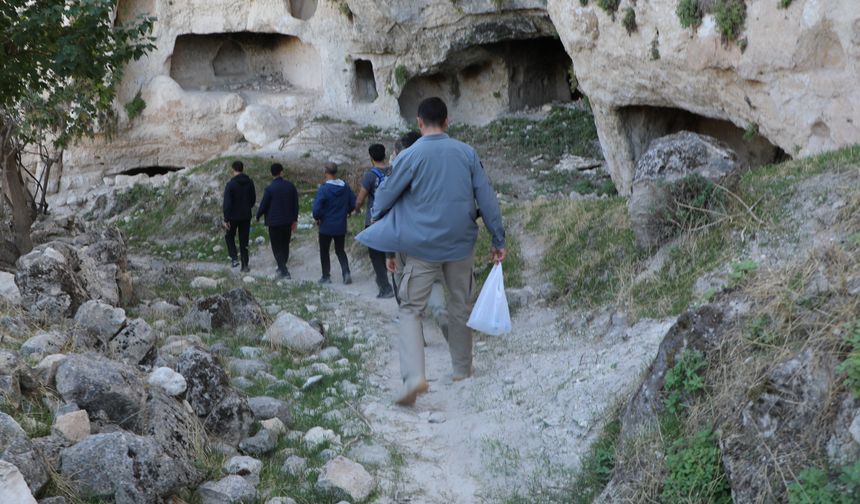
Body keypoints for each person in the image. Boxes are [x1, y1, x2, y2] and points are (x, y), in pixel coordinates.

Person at [357, 97, 506, 406]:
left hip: (421, 246)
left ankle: (413, 378)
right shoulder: (467, 153)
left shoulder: (410, 156)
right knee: (460, 304)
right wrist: (498, 239)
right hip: (460, 243)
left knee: (411, 308)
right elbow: (487, 198)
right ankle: (462, 370)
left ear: (419, 123)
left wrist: (379, 220)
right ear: (447, 121)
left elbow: (385, 197)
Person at [355, 144, 394, 298]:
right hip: (392, 218)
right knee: (393, 253)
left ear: (371, 158)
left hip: (374, 221)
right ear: (385, 155)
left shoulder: (370, 175)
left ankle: (385, 287)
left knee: (376, 255)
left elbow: (361, 198)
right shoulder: (393, 171)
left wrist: (356, 208)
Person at [312, 162, 356, 285]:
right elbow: (353, 203)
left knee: (324, 251)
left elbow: (316, 209)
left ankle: (326, 276)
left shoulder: (324, 189)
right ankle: (346, 272)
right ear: (336, 172)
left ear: (325, 172)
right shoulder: (345, 187)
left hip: (325, 226)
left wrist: (318, 217)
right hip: (341, 225)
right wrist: (346, 212)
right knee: (340, 250)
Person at [256, 163, 299, 279]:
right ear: (282, 172)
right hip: (287, 221)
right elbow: (295, 204)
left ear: (271, 174)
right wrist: (295, 220)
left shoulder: (270, 189)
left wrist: (258, 215)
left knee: (276, 247)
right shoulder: (290, 186)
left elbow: (264, 205)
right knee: (285, 245)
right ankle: (282, 267)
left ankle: (284, 271)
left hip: (274, 223)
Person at [222, 160, 256, 273]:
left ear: (233, 170)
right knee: (244, 240)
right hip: (246, 216)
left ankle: (234, 258)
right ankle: (245, 265)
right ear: (242, 169)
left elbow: (227, 203)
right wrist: (247, 207)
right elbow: (253, 200)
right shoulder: (250, 182)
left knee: (229, 236)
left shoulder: (230, 184)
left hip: (232, 216)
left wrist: (226, 218)